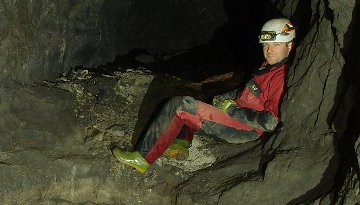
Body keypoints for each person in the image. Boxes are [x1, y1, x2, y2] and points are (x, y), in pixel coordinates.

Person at [112, 18, 295, 173]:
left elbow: (270, 122)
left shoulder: (280, 77)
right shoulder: (269, 66)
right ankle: (180, 144)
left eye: (276, 45)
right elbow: (247, 92)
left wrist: (233, 110)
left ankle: (142, 158)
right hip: (237, 118)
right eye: (266, 45)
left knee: (180, 105)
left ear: (289, 45)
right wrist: (225, 97)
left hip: (244, 128)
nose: (269, 50)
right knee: (193, 100)